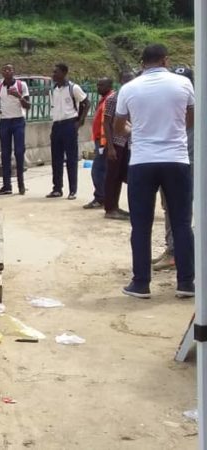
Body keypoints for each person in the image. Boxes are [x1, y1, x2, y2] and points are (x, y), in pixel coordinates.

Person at [114, 44, 195, 299]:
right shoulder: (183, 84)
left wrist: (135, 131)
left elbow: (118, 127)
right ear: (165, 60)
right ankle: (185, 283)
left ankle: (141, 283)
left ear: (142, 62)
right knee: (181, 222)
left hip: (142, 161)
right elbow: (189, 120)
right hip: (176, 160)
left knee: (141, 225)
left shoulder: (129, 88)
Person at [153, 66, 196, 271]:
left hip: (189, 162)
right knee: (171, 207)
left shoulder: (194, 105)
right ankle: (173, 249)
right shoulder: (172, 105)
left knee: (178, 209)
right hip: (173, 160)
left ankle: (177, 253)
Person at [47, 63, 90, 200]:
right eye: (53, 72)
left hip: (69, 124)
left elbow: (86, 103)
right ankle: (57, 188)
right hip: (57, 125)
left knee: (71, 159)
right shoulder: (53, 89)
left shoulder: (73, 88)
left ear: (64, 73)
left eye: (56, 72)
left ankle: (73, 190)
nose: (53, 75)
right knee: (56, 159)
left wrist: (80, 121)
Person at [0, 64, 31, 195]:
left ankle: (21, 184)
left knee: (19, 152)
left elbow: (28, 105)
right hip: (5, 121)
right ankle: (7, 186)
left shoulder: (21, 85)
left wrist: (18, 95)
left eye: (9, 69)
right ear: (2, 72)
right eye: (5, 69)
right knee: (5, 153)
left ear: (13, 72)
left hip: (18, 120)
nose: (7, 71)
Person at [102, 72, 134, 220]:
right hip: (116, 142)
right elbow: (107, 123)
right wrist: (110, 147)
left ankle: (115, 206)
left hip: (126, 142)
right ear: (121, 81)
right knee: (112, 176)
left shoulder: (131, 97)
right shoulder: (113, 99)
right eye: (126, 80)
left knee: (120, 175)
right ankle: (109, 208)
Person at [83, 78, 114, 209]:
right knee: (102, 171)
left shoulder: (110, 99)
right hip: (100, 140)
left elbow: (108, 123)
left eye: (101, 85)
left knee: (98, 171)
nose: (98, 87)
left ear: (109, 86)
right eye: (97, 84)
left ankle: (101, 197)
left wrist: (106, 143)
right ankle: (104, 197)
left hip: (104, 141)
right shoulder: (104, 99)